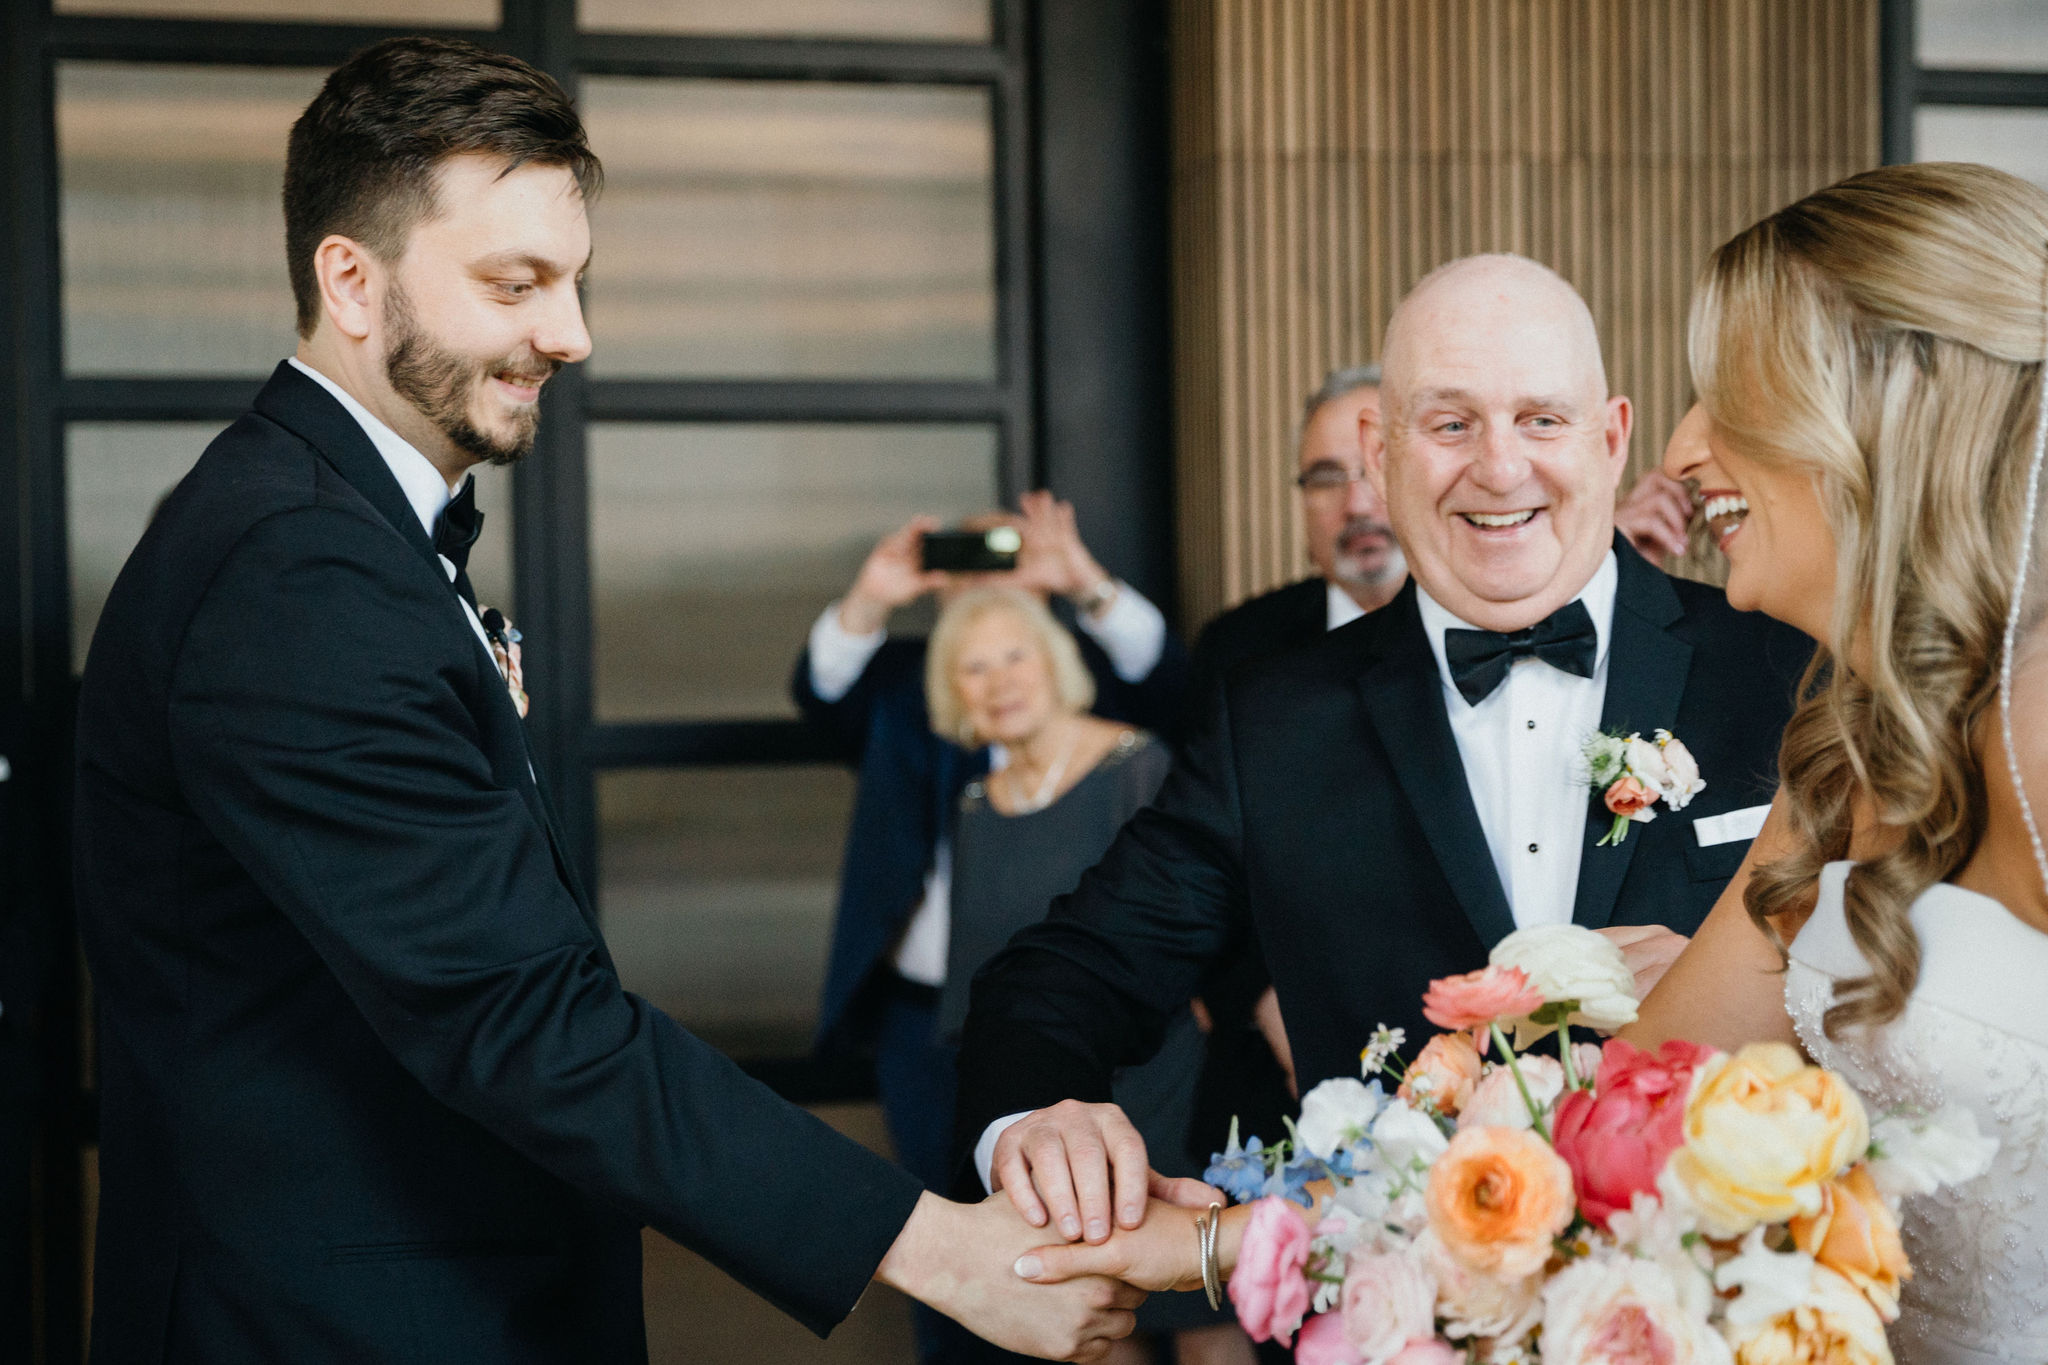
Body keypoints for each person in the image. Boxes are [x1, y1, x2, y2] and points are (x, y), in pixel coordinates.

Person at [71, 37, 1152, 1363]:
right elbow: (518, 1016)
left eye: (574, 282)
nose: (570, 334)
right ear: (348, 281)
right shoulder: (294, 570)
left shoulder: (343, 530)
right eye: (513, 282)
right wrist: (935, 1249)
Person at [950, 253, 1813, 1262]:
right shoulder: (1272, 718)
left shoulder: (1784, 665)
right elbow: (1062, 974)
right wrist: (1034, 1115)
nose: (1498, 469)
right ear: (1379, 450)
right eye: (1449, 424)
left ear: (1611, 436)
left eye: (1541, 419)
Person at [1619, 162, 2048, 1364]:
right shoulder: (1851, 745)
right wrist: (1223, 1245)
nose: (1679, 445)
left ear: (1882, 409)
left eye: (1726, 395)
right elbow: (1641, 1108)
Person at [794, 497, 1188, 1362]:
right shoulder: (905, 685)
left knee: (1081, 1231)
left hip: (1067, 1014)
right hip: (924, 1010)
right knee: (945, 1223)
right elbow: (818, 694)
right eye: (957, 559)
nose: (999, 673)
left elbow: (1166, 679)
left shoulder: (1079, 677)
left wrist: (1079, 581)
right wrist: (874, 592)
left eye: (996, 556)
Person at [930, 586, 1248, 1365]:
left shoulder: (1134, 763)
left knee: (1200, 1316)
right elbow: (977, 963)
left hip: (1162, 1080)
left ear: (1054, 664)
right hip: (1044, 1098)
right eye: (975, 667)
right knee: (1095, 1323)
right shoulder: (976, 801)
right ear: (953, 691)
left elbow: (1207, 916)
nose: (1000, 681)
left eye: (1016, 656)